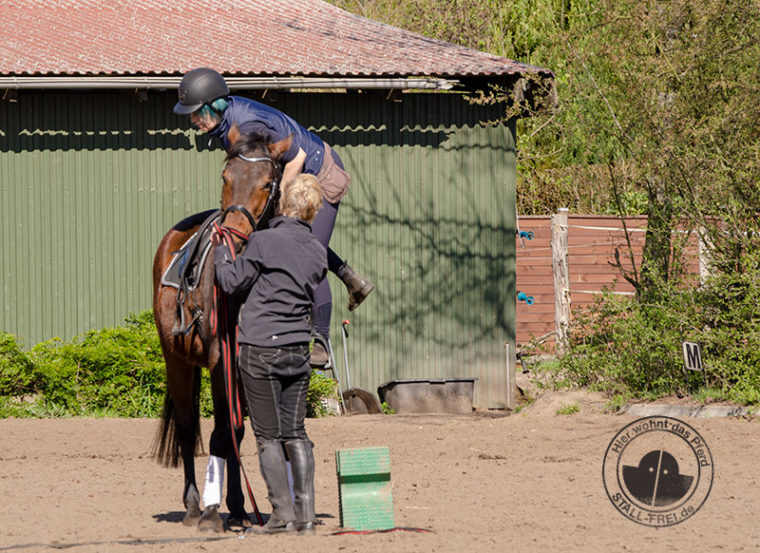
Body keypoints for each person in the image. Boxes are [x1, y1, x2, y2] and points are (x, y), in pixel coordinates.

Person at [174, 67, 373, 366]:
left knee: (307, 251)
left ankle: (320, 340)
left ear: (214, 105)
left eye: (196, 113)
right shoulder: (228, 124)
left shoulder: (249, 125)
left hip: (318, 171)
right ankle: (348, 276)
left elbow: (297, 159)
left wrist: (279, 202)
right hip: (293, 172)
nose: (192, 120)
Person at [210, 173, 327, 535]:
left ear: (284, 203)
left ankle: (280, 516)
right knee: (296, 432)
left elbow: (230, 283)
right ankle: (306, 517)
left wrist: (220, 253)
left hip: (261, 349)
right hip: (298, 349)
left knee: (268, 437)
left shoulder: (262, 241)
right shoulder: (318, 251)